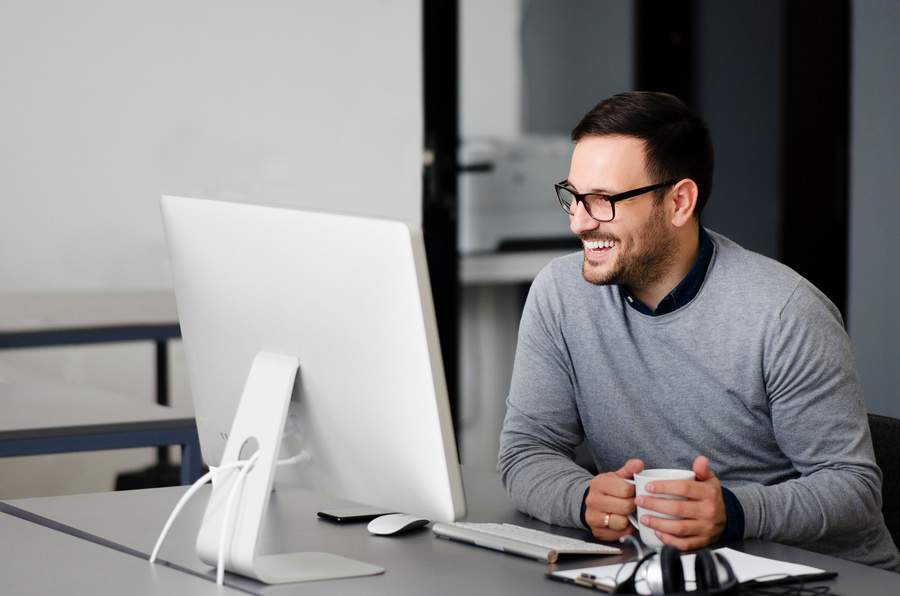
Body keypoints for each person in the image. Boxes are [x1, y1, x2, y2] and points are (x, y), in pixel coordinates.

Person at [497, 91, 899, 569]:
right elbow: (527, 450)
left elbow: (853, 489)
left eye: (602, 200)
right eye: (573, 196)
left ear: (679, 202)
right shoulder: (559, 295)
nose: (579, 222)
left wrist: (733, 512)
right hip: (663, 568)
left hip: (822, 575)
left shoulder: (785, 313)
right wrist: (582, 497)